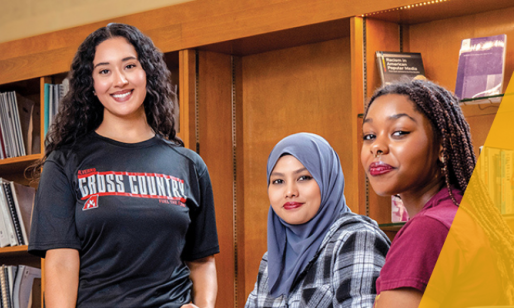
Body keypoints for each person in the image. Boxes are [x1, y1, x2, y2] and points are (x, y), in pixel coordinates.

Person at [28, 23, 219, 308]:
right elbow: (61, 264)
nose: (119, 80)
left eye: (129, 66)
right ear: (91, 85)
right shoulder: (65, 163)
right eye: (104, 71)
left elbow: (202, 260)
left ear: (147, 74)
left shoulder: (189, 165)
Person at [362, 79, 514, 307]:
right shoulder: (465, 214)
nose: (377, 147)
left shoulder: (427, 230)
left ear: (443, 145)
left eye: (399, 132)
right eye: (369, 136)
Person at [245, 133, 390, 308]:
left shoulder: (356, 239)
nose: (289, 191)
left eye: (303, 178)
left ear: (328, 179)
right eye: (278, 181)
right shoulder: (272, 259)